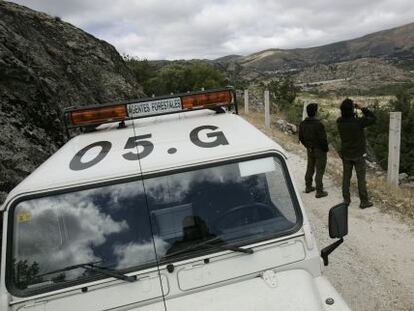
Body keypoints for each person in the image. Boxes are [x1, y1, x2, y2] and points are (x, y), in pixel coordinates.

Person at [337, 98, 376, 209]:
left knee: (346, 177)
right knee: (361, 179)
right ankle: (364, 201)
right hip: (358, 154)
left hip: (346, 154)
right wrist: (362, 108)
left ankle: (346, 199)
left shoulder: (339, 121)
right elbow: (373, 118)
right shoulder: (358, 122)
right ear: (352, 110)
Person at [299, 103, 329, 198]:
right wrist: (325, 149)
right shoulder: (318, 124)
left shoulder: (303, 124)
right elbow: (323, 139)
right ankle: (319, 191)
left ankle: (308, 186)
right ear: (315, 112)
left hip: (310, 149)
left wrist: (307, 146)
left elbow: (301, 137)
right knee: (319, 170)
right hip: (319, 149)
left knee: (310, 167)